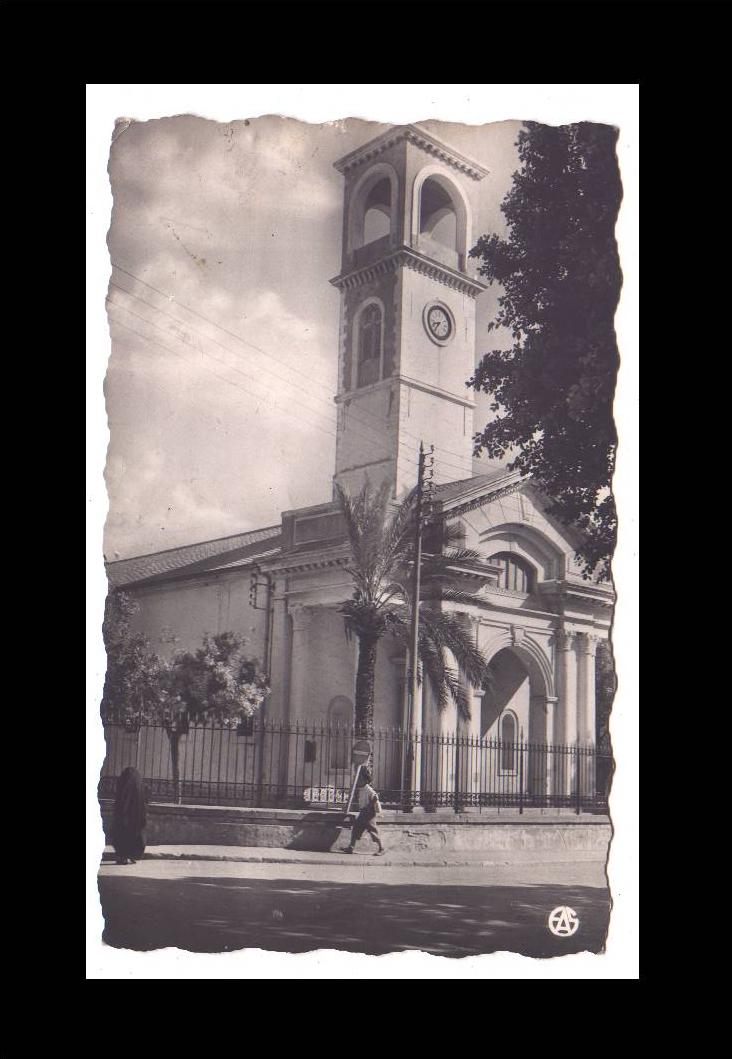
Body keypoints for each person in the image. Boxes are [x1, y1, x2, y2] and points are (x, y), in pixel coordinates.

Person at [343, 767, 385, 855]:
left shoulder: (368, 789)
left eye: (358, 778)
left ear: (365, 779)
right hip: (363, 813)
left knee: (373, 831)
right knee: (356, 829)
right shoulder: (361, 789)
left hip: (369, 814)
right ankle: (351, 847)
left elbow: (375, 798)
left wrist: (369, 807)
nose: (356, 779)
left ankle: (382, 848)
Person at [110, 766, 147, 865]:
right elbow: (143, 801)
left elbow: (121, 799)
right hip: (136, 817)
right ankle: (133, 856)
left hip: (125, 816)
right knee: (135, 836)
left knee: (122, 835)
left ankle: (123, 857)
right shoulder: (138, 783)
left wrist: (120, 813)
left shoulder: (125, 782)